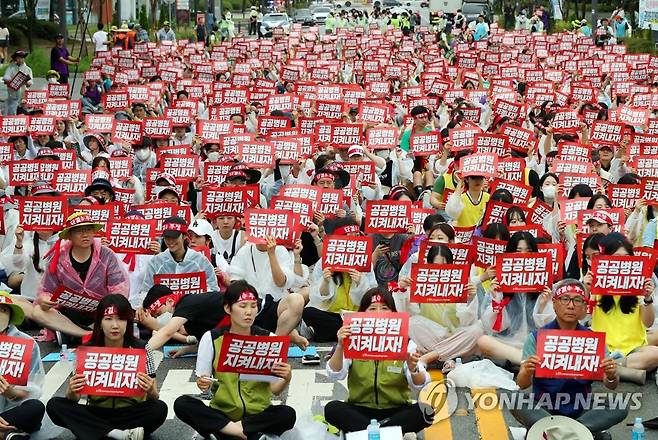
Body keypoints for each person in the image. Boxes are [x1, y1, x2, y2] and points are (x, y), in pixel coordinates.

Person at [173, 281, 296, 440]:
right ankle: (246, 434)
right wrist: (203, 382)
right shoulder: (212, 338)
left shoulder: (269, 339)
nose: (249, 312)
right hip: (223, 412)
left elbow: (275, 390)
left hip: (257, 414)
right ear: (227, 308)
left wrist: (287, 378)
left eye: (253, 306)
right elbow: (205, 383)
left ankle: (226, 432)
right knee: (182, 404)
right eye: (242, 306)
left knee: (287, 414)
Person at [512, 279, 628, 436]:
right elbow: (522, 384)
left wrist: (612, 375)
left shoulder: (592, 340)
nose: (571, 305)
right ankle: (577, 435)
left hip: (582, 406)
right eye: (565, 299)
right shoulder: (537, 337)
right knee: (515, 400)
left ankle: (560, 433)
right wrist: (526, 371)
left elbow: (611, 385)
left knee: (620, 405)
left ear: (584, 307)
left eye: (577, 300)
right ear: (554, 304)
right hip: (544, 405)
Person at [47, 294, 168, 440]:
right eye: (108, 319)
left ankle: (99, 432)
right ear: (100, 322)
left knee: (159, 408)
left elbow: (154, 397)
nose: (115, 325)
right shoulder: (87, 350)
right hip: (97, 412)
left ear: (128, 321)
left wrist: (150, 389)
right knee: (55, 405)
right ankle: (116, 434)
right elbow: (73, 399)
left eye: (121, 319)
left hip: (130, 413)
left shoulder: (142, 348)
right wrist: (72, 391)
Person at [324, 288, 433, 435]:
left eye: (384, 308)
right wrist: (340, 346)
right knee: (332, 408)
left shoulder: (406, 343)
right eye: (372, 308)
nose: (378, 312)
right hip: (360, 409)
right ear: (362, 313)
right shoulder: (352, 340)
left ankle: (367, 433)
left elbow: (421, 383)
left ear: (394, 313)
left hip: (394, 412)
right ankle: (388, 434)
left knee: (425, 412)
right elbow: (335, 374)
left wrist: (414, 368)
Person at [34, 212, 130, 339]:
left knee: (115, 315)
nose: (85, 235)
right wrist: (45, 300)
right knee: (38, 311)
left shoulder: (107, 255)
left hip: (101, 312)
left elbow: (119, 288)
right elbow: (47, 290)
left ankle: (78, 334)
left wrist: (109, 308)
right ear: (69, 235)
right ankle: (87, 335)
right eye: (79, 231)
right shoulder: (58, 257)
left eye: (88, 230)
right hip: (68, 313)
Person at [0, 291, 46, 439]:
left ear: (11, 315)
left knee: (35, 407)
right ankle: (6, 435)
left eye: (4, 309)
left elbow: (33, 390)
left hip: (10, 412)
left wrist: (11, 393)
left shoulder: (25, 344)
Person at [139, 216, 219, 296]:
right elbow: (146, 292)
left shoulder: (200, 260)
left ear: (185, 236)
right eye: (167, 237)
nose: (170, 241)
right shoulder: (155, 262)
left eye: (174, 237)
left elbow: (213, 290)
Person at [2, 50, 32, 116]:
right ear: (15, 59)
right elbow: (5, 77)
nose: (20, 59)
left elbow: (30, 82)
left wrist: (26, 82)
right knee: (12, 112)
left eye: (22, 58)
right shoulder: (11, 68)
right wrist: (12, 80)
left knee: (23, 113)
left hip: (23, 95)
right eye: (18, 58)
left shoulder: (28, 69)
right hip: (13, 95)